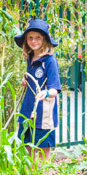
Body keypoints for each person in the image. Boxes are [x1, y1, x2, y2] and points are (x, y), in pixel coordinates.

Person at [14, 18, 62, 161]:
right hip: (28, 109)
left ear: (45, 39)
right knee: (27, 145)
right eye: (30, 38)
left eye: (38, 38)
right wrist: (26, 80)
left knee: (42, 148)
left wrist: (45, 93)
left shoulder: (50, 61)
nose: (33, 41)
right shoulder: (31, 58)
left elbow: (55, 89)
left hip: (43, 112)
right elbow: (34, 79)